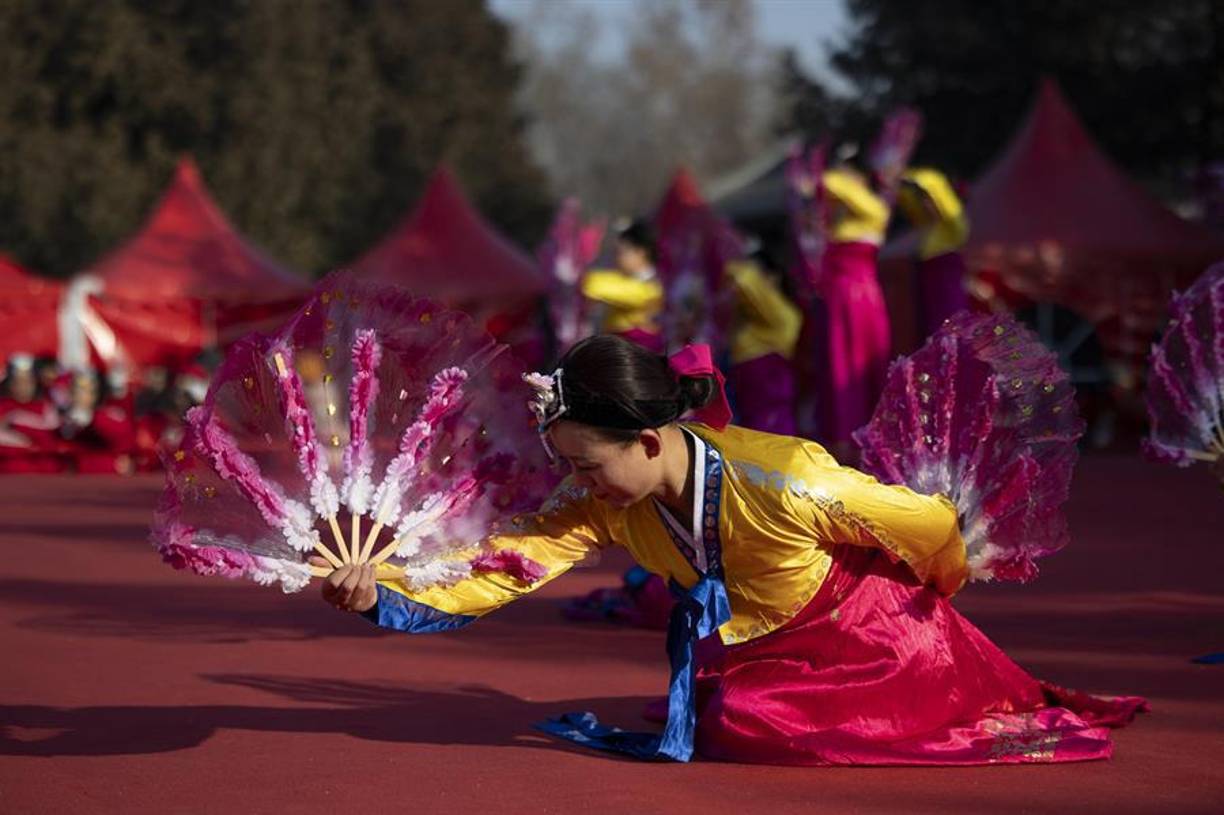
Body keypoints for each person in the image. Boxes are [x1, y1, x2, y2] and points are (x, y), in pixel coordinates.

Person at [313, 334, 1144, 766]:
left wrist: (939, 593)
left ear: (644, 440)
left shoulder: (785, 478)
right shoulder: (599, 505)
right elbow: (507, 562)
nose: (577, 482)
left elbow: (927, 523)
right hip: (770, 642)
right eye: (568, 465)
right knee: (724, 711)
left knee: (739, 719)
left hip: (877, 640)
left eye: (587, 463)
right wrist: (383, 585)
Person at [815, 146, 893, 460]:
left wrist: (828, 172)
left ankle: (873, 442)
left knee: (863, 367)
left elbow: (824, 183)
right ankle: (842, 442)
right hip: (837, 303)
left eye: (847, 172)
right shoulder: (838, 223)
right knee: (838, 367)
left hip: (860, 301)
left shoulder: (873, 210)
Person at [725, 243, 802, 435]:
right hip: (751, 416)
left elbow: (742, 278)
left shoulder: (783, 315)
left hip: (772, 421)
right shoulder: (747, 319)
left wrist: (727, 246)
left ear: (773, 277)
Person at [896, 168, 971, 337]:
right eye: (923, 200)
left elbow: (948, 206)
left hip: (947, 296)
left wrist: (928, 182)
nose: (926, 205)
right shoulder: (926, 228)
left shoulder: (954, 228)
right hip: (929, 296)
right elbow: (906, 199)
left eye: (929, 200)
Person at [581, 219, 665, 353]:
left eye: (621, 252)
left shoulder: (653, 287)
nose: (617, 258)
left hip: (639, 355)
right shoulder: (625, 280)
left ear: (640, 252)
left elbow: (590, 284)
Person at [0, 353, 63, 473]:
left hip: (41, 472)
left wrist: (16, 420)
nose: (22, 387)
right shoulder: (2, 406)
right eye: (17, 382)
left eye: (28, 382)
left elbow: (50, 440)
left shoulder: (46, 407)